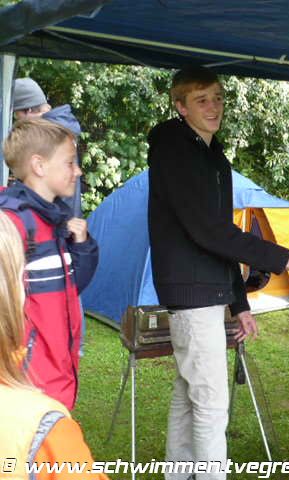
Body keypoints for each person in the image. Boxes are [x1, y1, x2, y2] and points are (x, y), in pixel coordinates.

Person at [147, 66, 289, 480]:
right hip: (191, 292)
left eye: (218, 98)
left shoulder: (211, 155)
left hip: (207, 290)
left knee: (189, 397)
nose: (214, 107)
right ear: (180, 106)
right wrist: (286, 259)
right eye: (201, 100)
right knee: (210, 404)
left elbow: (220, 235)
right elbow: (208, 231)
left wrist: (239, 303)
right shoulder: (175, 151)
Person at [0, 210, 107, 480]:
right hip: (34, 396)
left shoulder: (55, 217)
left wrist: (82, 245)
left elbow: (74, 283)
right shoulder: (42, 427)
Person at [1, 119, 99, 411]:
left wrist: (82, 246)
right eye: (70, 162)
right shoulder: (13, 224)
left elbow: (69, 288)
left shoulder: (53, 219)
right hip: (28, 386)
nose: (77, 171)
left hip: (57, 378)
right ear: (39, 166)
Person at [12, 77, 83, 216]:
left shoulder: (46, 135)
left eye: (16, 115)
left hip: (53, 220)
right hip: (66, 216)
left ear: (28, 110)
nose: (17, 121)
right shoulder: (61, 127)